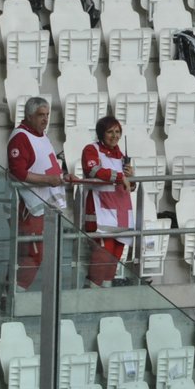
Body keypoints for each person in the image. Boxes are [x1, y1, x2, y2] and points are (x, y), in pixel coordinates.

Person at [6, 96, 67, 290]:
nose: (45, 119)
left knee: (36, 254)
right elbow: (19, 173)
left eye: (48, 115)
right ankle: (14, 295)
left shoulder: (40, 135)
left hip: (45, 208)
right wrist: (49, 180)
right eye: (41, 115)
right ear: (29, 116)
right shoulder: (21, 137)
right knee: (31, 255)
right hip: (29, 208)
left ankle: (14, 293)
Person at [79, 115, 134, 286]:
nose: (115, 136)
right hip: (99, 211)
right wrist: (119, 176)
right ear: (101, 133)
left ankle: (106, 294)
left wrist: (131, 178)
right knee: (103, 254)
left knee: (115, 257)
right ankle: (91, 292)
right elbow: (93, 170)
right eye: (110, 132)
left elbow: (129, 187)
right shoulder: (91, 149)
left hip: (121, 212)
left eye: (118, 132)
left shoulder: (122, 156)